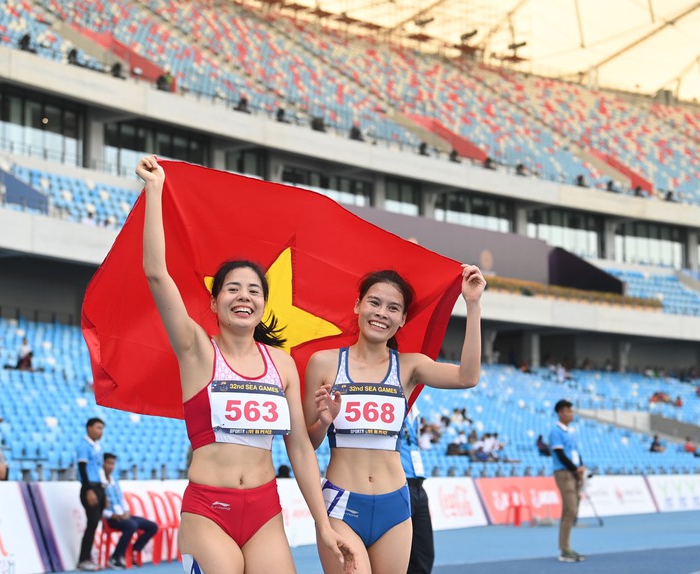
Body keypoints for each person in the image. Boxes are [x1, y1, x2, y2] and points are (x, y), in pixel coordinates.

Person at [136, 155, 353, 574]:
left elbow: (300, 450)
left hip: (265, 511)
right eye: (232, 289)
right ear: (215, 301)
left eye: (254, 291)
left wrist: (322, 525)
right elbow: (156, 274)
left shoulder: (282, 364)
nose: (244, 297)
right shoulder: (196, 350)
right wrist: (155, 189)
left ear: (263, 305)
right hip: (208, 510)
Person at [304, 264, 485, 574]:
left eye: (393, 308)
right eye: (374, 303)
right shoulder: (323, 363)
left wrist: (472, 303)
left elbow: (467, 377)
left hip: (396, 508)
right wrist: (323, 421)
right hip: (341, 505)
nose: (381, 313)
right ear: (357, 305)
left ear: (402, 319)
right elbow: (306, 444)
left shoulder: (410, 366)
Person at [102, 453, 159, 569]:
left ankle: (133, 550)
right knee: (131, 525)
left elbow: (121, 500)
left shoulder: (115, 481)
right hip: (111, 518)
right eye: (108, 463)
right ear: (103, 464)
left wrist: (127, 511)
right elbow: (99, 509)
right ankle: (115, 558)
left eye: (113, 464)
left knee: (152, 526)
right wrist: (112, 515)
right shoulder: (99, 483)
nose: (111, 466)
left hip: (123, 516)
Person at [550, 399, 586, 563]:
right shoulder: (555, 431)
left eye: (572, 411)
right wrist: (574, 469)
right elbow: (560, 454)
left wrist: (581, 467)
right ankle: (565, 549)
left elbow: (575, 452)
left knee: (572, 510)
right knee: (570, 509)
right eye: (568, 411)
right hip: (564, 473)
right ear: (560, 413)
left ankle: (566, 547)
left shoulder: (571, 431)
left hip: (574, 473)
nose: (571, 414)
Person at [400, 407, 434, 574]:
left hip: (418, 485)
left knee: (424, 554)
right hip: (399, 485)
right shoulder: (393, 403)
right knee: (398, 555)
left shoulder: (416, 413)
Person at [76, 417, 106, 571]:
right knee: (92, 523)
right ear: (89, 428)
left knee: (94, 524)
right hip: (90, 487)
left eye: (102, 428)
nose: (100, 431)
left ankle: (88, 556)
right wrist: (88, 490)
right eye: (98, 428)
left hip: (99, 487)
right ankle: (83, 559)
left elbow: (99, 469)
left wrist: (104, 489)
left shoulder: (97, 446)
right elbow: (82, 468)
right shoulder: (84, 445)